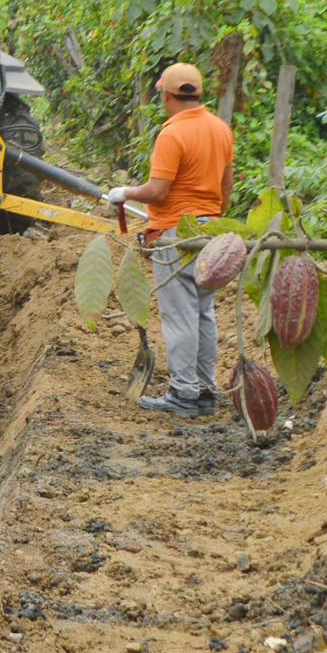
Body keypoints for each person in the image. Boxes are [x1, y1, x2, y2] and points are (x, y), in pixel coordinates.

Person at [106, 62, 236, 417]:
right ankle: (206, 390)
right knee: (204, 312)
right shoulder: (221, 130)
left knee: (180, 316)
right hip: (209, 233)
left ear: (166, 96)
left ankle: (183, 393)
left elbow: (159, 191)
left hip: (175, 237)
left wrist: (126, 192)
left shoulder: (172, 134)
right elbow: (227, 191)